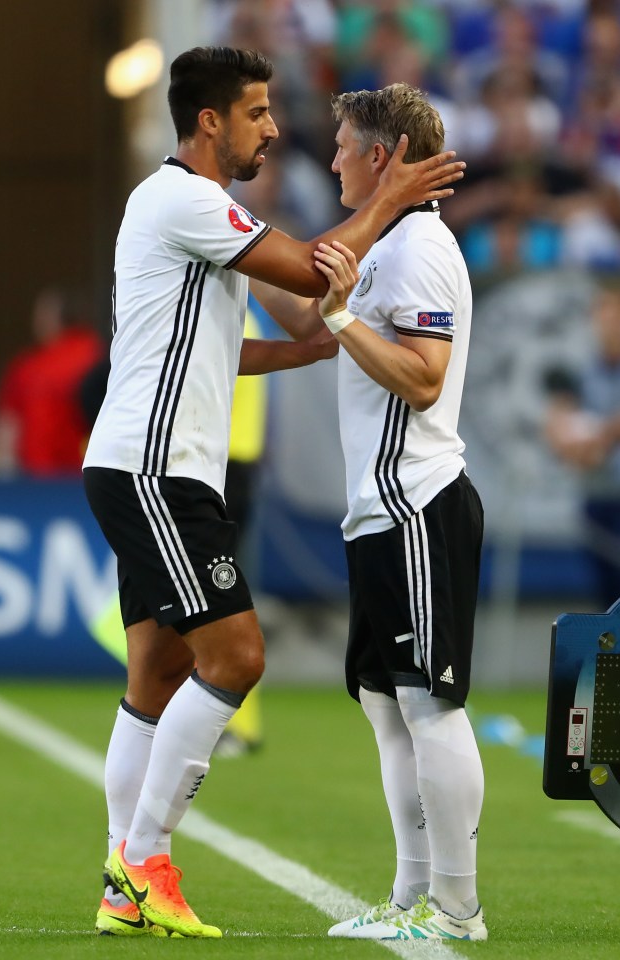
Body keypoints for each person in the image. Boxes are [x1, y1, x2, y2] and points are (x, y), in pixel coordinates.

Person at [82, 45, 465, 939]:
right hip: (155, 468)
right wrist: (388, 201)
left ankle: (122, 876)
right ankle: (139, 864)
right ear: (210, 122)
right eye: (258, 112)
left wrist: (322, 338)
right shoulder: (184, 199)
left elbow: (259, 331)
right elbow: (308, 272)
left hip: (151, 464)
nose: (275, 129)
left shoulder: (195, 212)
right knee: (238, 659)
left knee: (158, 671)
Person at [267, 82, 485, 942]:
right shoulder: (385, 244)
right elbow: (311, 312)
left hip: (417, 501)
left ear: (384, 156)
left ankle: (457, 908)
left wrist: (343, 317)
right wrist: (230, 260)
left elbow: (424, 377)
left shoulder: (420, 248)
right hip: (378, 511)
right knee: (385, 705)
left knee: (431, 704)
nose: (332, 160)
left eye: (345, 145)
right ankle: (410, 898)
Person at [544, 285, 620, 610]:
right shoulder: (584, 372)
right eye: (603, 313)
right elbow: (558, 422)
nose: (608, 322)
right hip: (599, 501)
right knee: (607, 600)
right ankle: (612, 661)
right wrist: (569, 440)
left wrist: (601, 437)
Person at [0, 286, 103, 476]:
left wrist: (6, 484)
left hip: (36, 482)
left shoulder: (28, 368)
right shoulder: (99, 356)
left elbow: (7, 430)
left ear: (52, 317)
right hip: (87, 480)